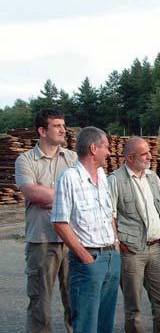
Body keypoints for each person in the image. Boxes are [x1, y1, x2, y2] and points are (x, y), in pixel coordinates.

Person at [51, 126, 120, 333]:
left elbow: (109, 215)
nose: (109, 152)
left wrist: (115, 244)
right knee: (86, 324)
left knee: (105, 323)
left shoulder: (102, 175)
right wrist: (84, 256)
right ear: (93, 148)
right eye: (106, 147)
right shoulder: (69, 178)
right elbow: (59, 222)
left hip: (111, 258)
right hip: (88, 261)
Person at [15, 108, 76, 333]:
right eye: (57, 126)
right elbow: (33, 194)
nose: (63, 129)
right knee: (40, 304)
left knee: (75, 301)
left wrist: (51, 195)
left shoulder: (72, 157)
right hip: (41, 240)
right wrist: (67, 194)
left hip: (73, 240)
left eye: (63, 125)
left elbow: (82, 193)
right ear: (42, 130)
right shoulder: (25, 160)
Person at [109, 137, 160, 333]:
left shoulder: (153, 177)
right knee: (134, 307)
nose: (150, 157)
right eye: (144, 154)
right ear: (130, 158)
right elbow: (109, 216)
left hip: (155, 248)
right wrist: (118, 243)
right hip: (131, 253)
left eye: (149, 152)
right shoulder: (114, 180)